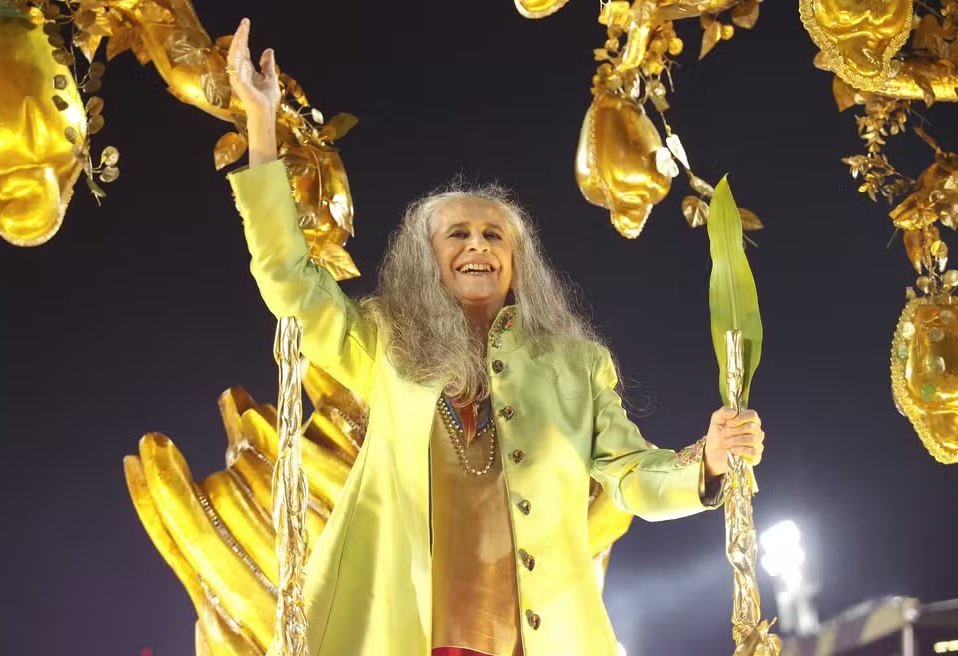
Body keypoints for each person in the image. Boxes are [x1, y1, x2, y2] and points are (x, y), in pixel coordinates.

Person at [224, 17, 766, 656]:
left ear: (518, 261)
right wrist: (262, 128)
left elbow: (631, 478)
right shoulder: (383, 340)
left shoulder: (576, 366)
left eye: (493, 235)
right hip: (399, 635)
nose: (476, 245)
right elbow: (289, 279)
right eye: (457, 234)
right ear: (425, 260)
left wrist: (707, 460)